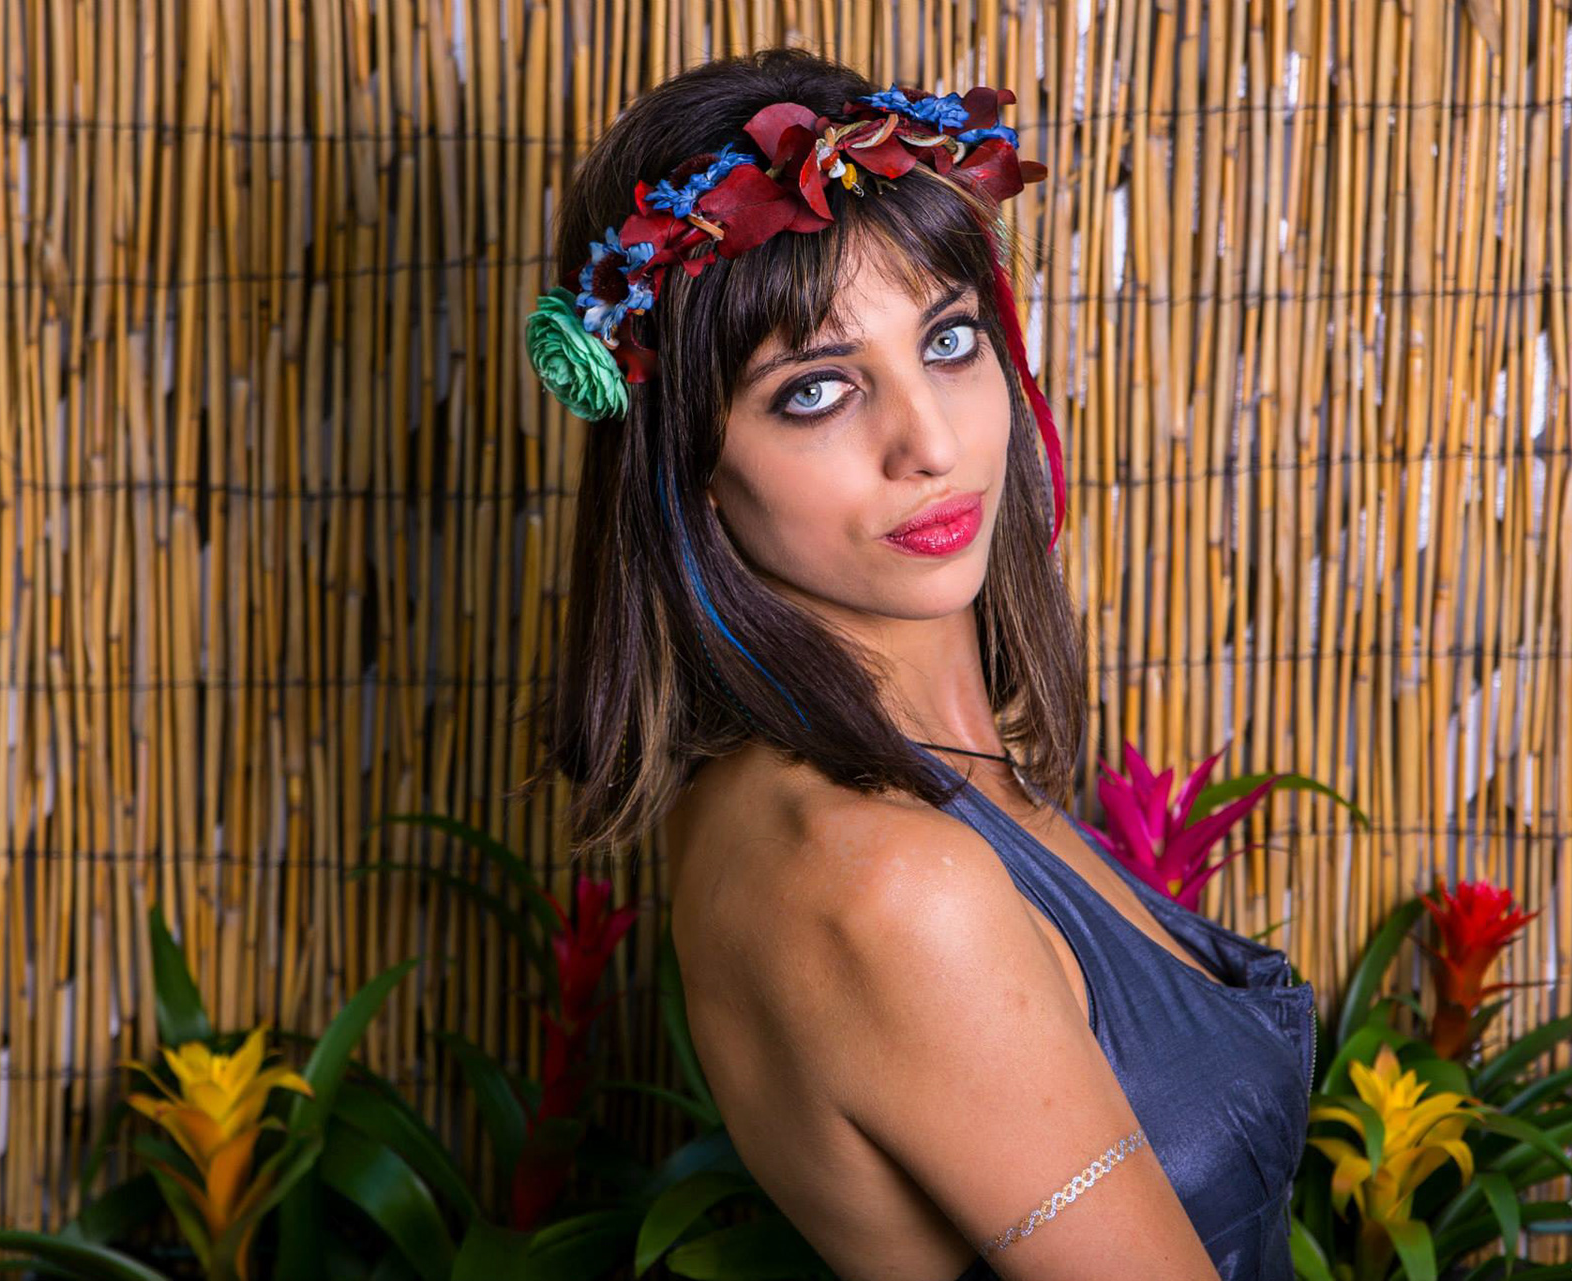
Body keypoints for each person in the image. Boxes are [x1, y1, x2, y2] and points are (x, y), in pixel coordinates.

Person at [519, 47, 1314, 1281]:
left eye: (948, 340)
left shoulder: (887, 774)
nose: (930, 444)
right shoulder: (893, 885)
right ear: (691, 467)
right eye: (816, 391)